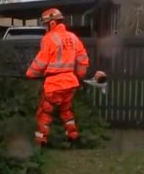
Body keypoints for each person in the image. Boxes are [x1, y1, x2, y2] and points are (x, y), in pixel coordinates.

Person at [25, 8, 105, 147]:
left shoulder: (49, 39)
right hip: (70, 84)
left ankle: (40, 141)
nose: (45, 27)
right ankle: (73, 136)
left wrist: (30, 73)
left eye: (46, 24)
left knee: (44, 113)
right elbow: (83, 59)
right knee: (66, 111)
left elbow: (41, 62)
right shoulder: (73, 38)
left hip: (53, 84)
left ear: (52, 23)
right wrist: (79, 75)